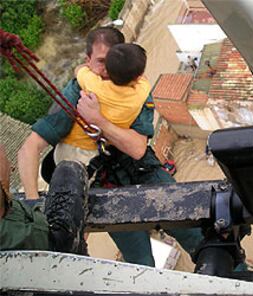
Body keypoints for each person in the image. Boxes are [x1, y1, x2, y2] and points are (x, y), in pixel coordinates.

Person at [18, 27, 203, 267]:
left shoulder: (133, 89)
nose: (109, 71)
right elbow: (29, 148)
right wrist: (35, 206)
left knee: (196, 233)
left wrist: (99, 121)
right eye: (101, 62)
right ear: (87, 61)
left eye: (113, 61)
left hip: (140, 169)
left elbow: (137, 148)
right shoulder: (78, 93)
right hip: (103, 186)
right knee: (139, 260)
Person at [1, 144, 89, 254]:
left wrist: (33, 200)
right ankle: (63, 245)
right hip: (33, 246)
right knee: (70, 171)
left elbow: (29, 148)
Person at [66, 43, 151, 153]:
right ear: (138, 77)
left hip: (72, 143)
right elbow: (143, 79)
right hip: (102, 147)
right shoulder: (141, 93)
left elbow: (78, 70)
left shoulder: (95, 85)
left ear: (107, 70)